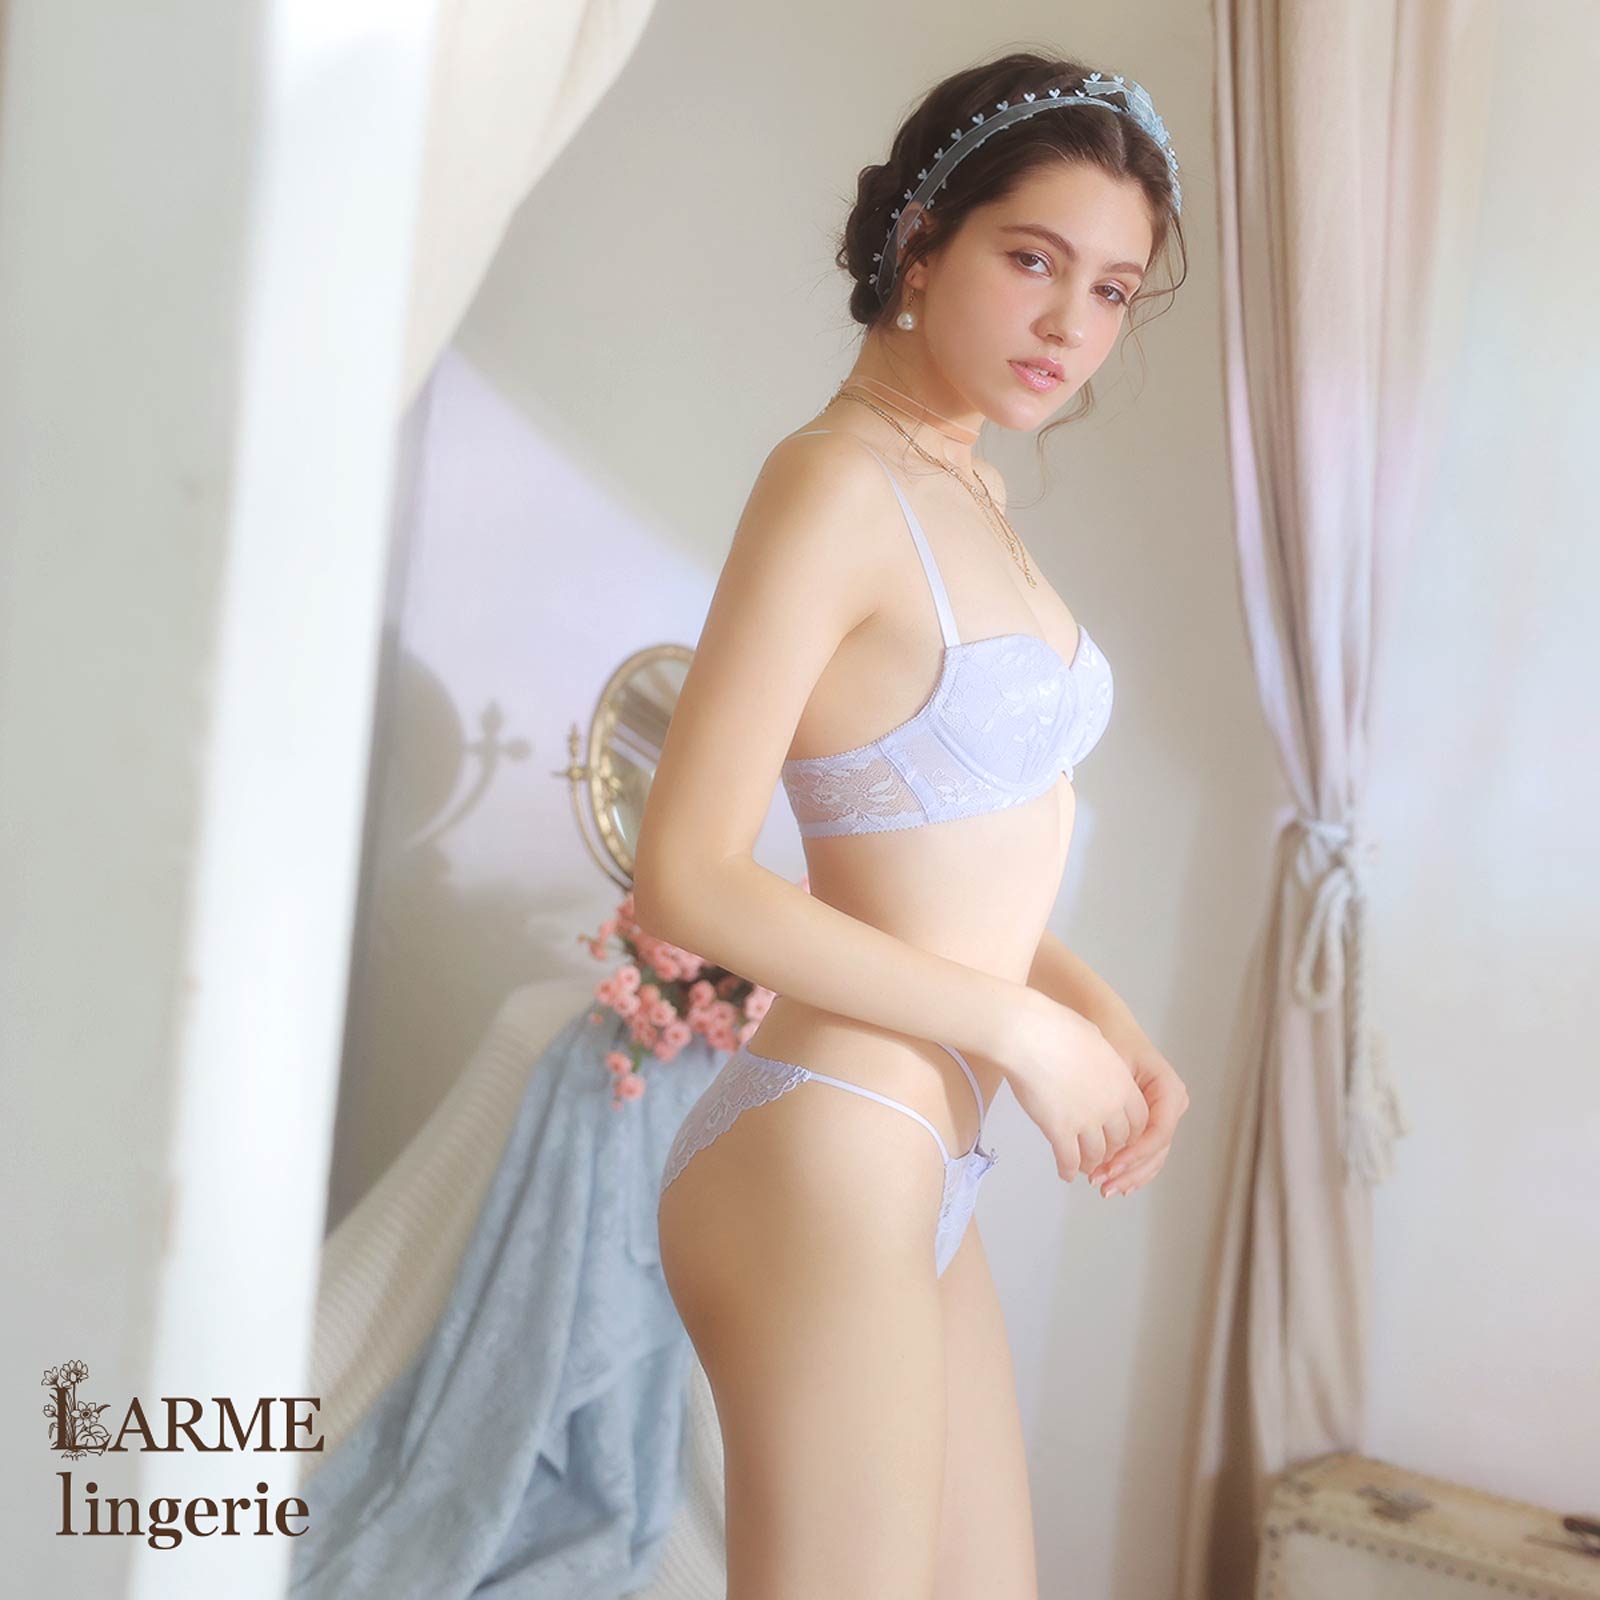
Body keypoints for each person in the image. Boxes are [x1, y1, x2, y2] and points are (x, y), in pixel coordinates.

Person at [633, 48, 1193, 1600]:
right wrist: (1022, 1031)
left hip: (919, 1158)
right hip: (828, 1141)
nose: (1070, 326)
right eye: (1035, 261)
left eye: (1111, 291)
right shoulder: (829, 485)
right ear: (925, 241)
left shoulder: (971, 498)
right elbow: (687, 874)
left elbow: (943, 862)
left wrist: (1103, 1018)